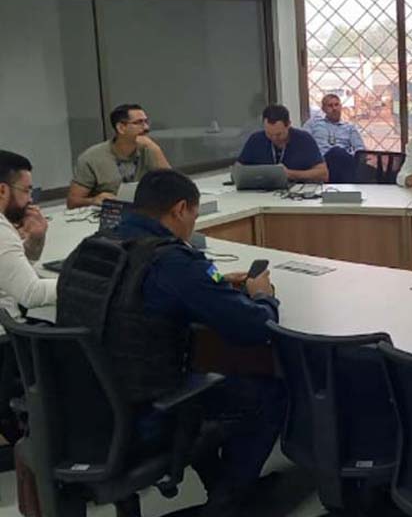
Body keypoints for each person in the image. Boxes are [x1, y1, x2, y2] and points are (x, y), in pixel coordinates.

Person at [58, 169, 285, 515]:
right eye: (193, 214)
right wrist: (263, 296)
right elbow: (254, 327)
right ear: (180, 209)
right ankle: (229, 503)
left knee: (208, 378)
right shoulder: (170, 261)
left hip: (82, 410)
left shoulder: (91, 248)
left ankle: (222, 486)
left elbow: (126, 300)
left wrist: (209, 285)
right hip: (143, 414)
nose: (193, 224)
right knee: (269, 394)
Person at [67, 103, 171, 208]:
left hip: (145, 211)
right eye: (139, 123)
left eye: (146, 122)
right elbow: (73, 202)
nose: (146, 128)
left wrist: (156, 149)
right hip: (110, 214)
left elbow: (174, 186)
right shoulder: (91, 157)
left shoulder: (150, 149)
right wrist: (94, 200)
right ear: (121, 128)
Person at [0, 151, 56, 322]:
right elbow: (31, 293)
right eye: (26, 191)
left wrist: (36, 237)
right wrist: (84, 284)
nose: (30, 200)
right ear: (2, 190)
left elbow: (10, 271)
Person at [237, 104, 329, 183]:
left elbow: (323, 174)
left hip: (297, 192)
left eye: (278, 134)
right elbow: (238, 169)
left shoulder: (304, 139)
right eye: (269, 134)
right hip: (262, 193)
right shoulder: (256, 139)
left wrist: (290, 174)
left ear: (288, 124)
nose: (274, 138)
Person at [305, 94, 365, 183]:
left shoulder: (349, 128)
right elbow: (303, 142)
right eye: (330, 106)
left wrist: (350, 156)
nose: (334, 108)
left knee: (339, 153)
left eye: (337, 105)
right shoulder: (314, 124)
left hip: (343, 162)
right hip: (321, 162)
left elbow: (360, 150)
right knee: (336, 152)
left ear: (341, 107)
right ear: (323, 109)